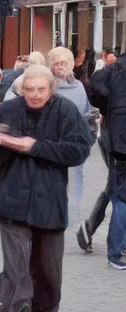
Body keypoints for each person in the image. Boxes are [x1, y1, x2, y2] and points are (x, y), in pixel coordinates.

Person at [0, 65, 92, 312]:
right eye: (29, 89)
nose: (34, 94)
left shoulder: (65, 111)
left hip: (50, 201)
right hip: (12, 199)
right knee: (17, 268)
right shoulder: (7, 111)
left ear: (51, 89)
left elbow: (78, 150)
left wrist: (35, 147)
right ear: (20, 89)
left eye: (41, 89)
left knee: (48, 271)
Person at [87, 49, 126, 268]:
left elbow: (94, 87)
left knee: (120, 195)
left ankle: (116, 253)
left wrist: (107, 108)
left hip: (118, 140)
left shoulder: (111, 71)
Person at [47, 46, 92, 228]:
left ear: (71, 65)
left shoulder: (79, 86)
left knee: (75, 180)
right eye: (56, 63)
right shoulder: (48, 87)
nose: (60, 67)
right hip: (53, 141)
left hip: (74, 142)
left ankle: (71, 218)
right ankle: (56, 215)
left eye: (63, 63)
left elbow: (85, 110)